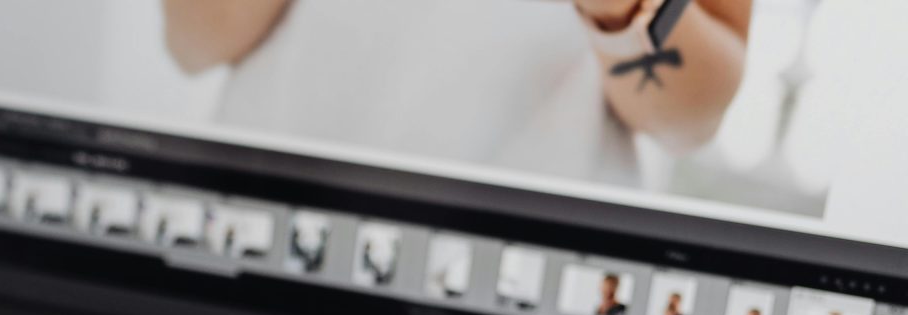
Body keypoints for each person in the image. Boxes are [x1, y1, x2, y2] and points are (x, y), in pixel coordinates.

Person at [162, 0, 752, 187]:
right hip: (274, 248)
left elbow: (691, 120)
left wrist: (619, 8)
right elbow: (193, 44)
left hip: (529, 291)